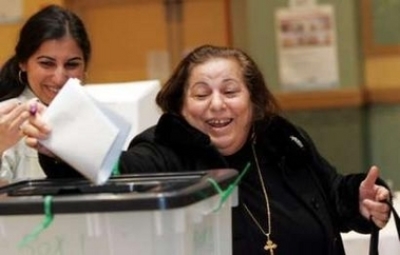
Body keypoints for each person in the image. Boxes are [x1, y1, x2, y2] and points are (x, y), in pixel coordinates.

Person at [23, 44, 391, 255]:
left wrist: (357, 201)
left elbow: (330, 192)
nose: (217, 105)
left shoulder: (283, 140)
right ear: (181, 106)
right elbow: (117, 173)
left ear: (253, 101)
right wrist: (62, 149)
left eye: (230, 92)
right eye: (201, 94)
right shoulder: (165, 149)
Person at [0, 4, 91, 182]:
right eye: (46, 63)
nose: (59, 78)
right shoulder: (6, 119)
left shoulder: (94, 118)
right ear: (23, 63)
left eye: (72, 64)